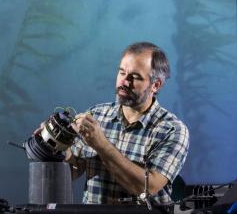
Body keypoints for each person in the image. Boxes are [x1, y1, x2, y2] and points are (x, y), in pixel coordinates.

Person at [66, 42, 189, 205]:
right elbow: (72, 172)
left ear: (155, 85)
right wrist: (56, 148)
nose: (124, 82)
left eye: (135, 77)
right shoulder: (96, 115)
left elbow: (147, 188)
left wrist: (101, 144)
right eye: (122, 73)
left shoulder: (172, 130)